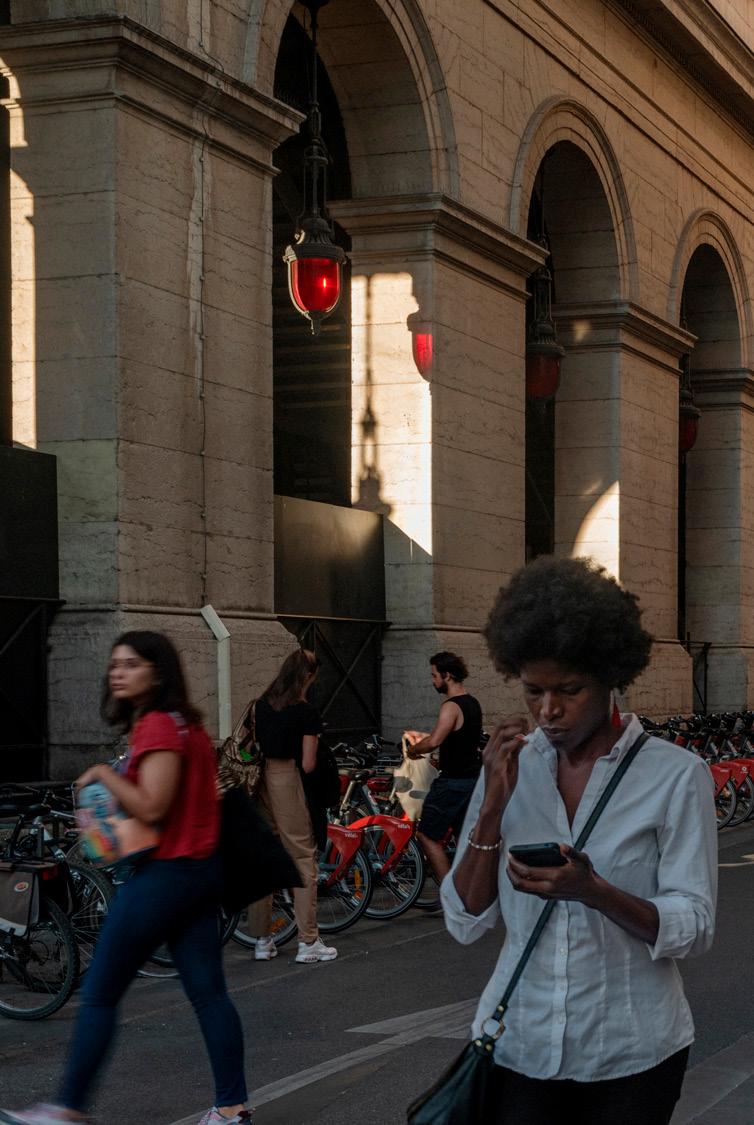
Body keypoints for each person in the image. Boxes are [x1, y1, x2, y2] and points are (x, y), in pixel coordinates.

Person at [440, 557, 717, 1125]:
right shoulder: (511, 768)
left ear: (611, 679)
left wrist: (594, 891)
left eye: (569, 690)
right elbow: (464, 920)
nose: (548, 711)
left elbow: (694, 925)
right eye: (533, 691)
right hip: (519, 1043)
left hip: (631, 1052)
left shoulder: (675, 775)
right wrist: (492, 806)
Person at [0, 630, 251, 1125]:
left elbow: (152, 807)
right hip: (198, 875)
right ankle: (232, 1108)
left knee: (100, 994)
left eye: (132, 664)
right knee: (209, 995)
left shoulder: (158, 725)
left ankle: (67, 1109)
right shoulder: (187, 725)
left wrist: (103, 774)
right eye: (115, 663)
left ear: (157, 673)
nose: (118, 672)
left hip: (164, 877)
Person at [251, 648, 337, 965]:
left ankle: (262, 940)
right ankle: (308, 941)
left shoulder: (261, 704)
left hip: (260, 780)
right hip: (288, 779)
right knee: (302, 857)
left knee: (265, 858)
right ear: (309, 676)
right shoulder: (305, 712)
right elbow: (309, 763)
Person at [404, 651, 482, 885]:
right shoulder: (473, 703)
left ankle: (449, 892)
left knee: (426, 835)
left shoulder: (451, 706)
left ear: (447, 675)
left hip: (452, 783)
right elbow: (463, 744)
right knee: (464, 838)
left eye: (434, 675)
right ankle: (468, 889)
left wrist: (413, 749)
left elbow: (435, 740)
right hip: (472, 781)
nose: (433, 680)